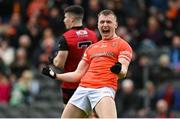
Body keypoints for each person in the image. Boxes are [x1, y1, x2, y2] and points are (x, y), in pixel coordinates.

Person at [42, 9, 133, 118]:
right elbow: (77, 74)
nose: (105, 24)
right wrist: (55, 75)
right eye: (102, 22)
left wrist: (118, 70)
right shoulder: (91, 48)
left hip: (103, 89)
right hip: (83, 88)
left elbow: (123, 71)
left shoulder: (123, 45)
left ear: (116, 25)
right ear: (98, 25)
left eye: (108, 22)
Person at [50, 5, 98, 105]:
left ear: (71, 19)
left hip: (71, 85)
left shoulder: (66, 37)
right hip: (89, 83)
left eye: (65, 17)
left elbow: (59, 64)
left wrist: (53, 59)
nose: (64, 20)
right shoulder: (93, 35)